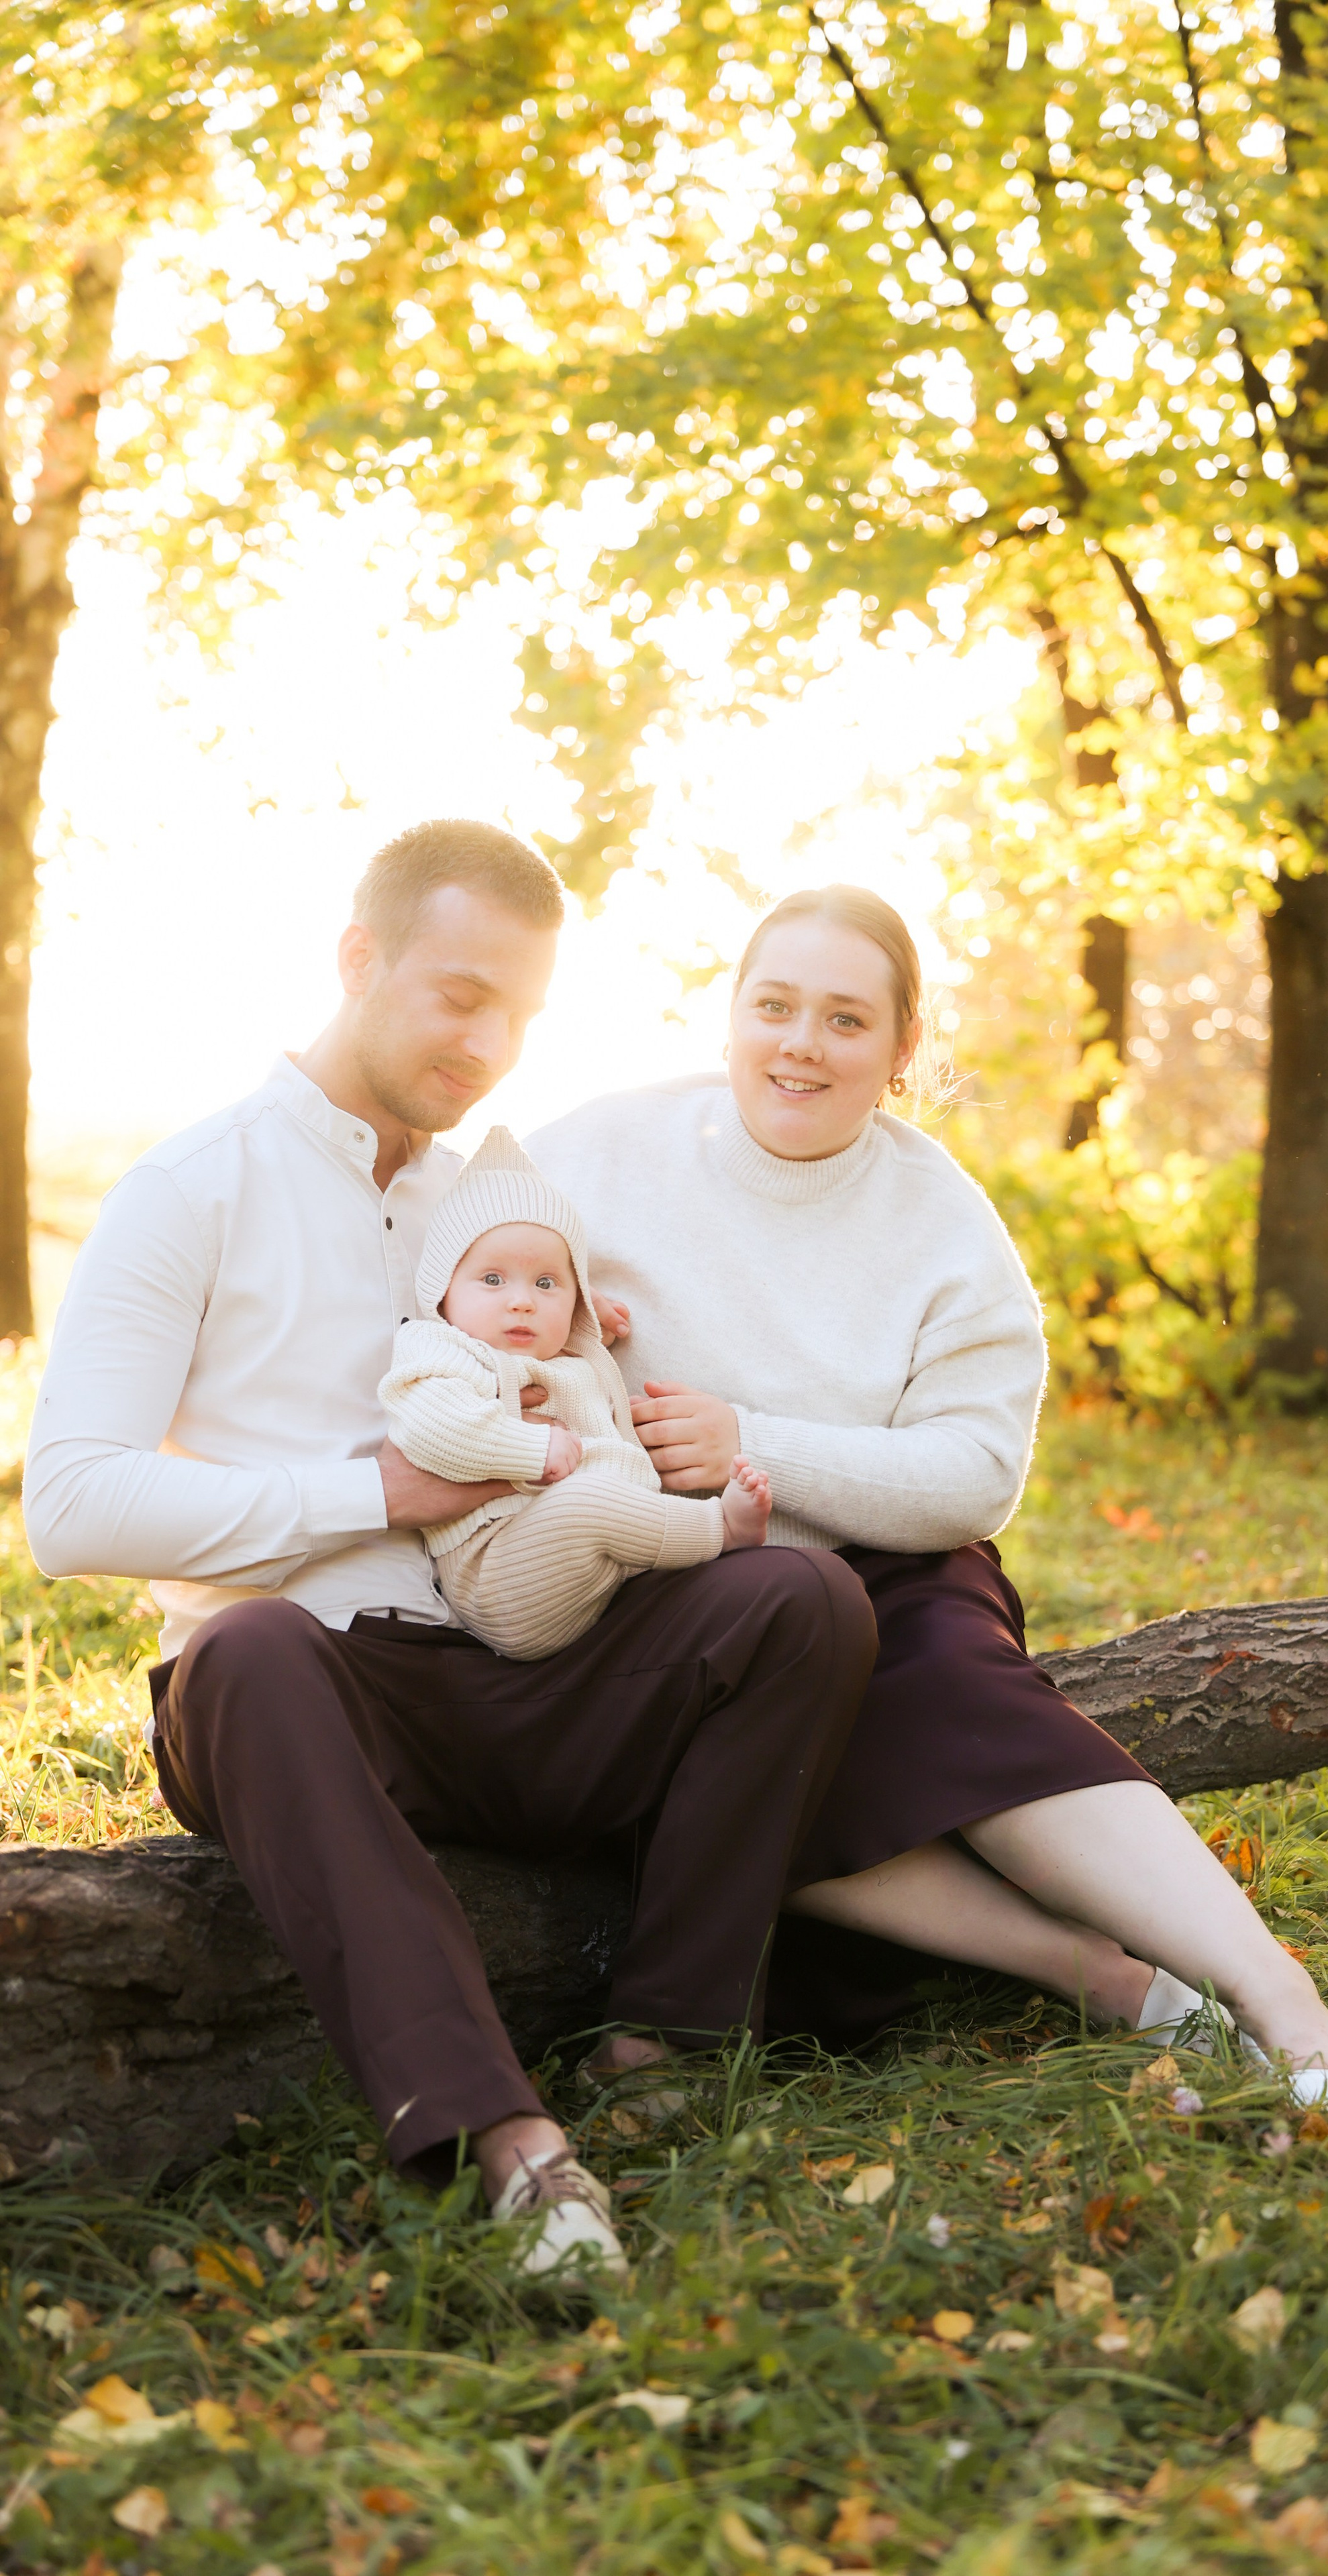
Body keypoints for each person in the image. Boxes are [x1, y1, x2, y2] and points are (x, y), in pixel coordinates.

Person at [23, 823, 877, 2278]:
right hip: (310, 1694)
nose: (492, 1044)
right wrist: (371, 1492)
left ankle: (661, 2041)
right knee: (243, 1648)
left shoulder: (489, 1209)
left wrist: (601, 1355)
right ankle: (511, 2149)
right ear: (358, 960)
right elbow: (72, 1506)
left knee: (799, 1599)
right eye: (461, 995)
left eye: (524, 1016)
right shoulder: (194, 1188)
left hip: (519, 1670)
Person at [531, 883, 1328, 2112]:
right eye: (773, 1007)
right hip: (677, 1580)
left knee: (964, 1716)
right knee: (714, 1755)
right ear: (730, 1018)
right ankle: (1093, 1972)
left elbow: (978, 1474)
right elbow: (457, 1267)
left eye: (843, 1020)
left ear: (899, 1050)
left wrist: (751, 1442)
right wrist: (558, 1322)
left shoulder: (940, 1220)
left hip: (891, 1576)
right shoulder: (598, 1149)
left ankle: (1277, 1996)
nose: (800, 1045)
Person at [380, 1123, 772, 1659]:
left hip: (599, 1567)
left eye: (546, 1284)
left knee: (601, 1504)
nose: (522, 1301)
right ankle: (721, 1529)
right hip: (502, 1578)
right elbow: (430, 1428)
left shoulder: (572, 1356)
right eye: (492, 1280)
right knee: (590, 1500)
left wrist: (588, 1330)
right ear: (442, 1291)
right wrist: (532, 1451)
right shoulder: (443, 1348)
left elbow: (580, 1336)